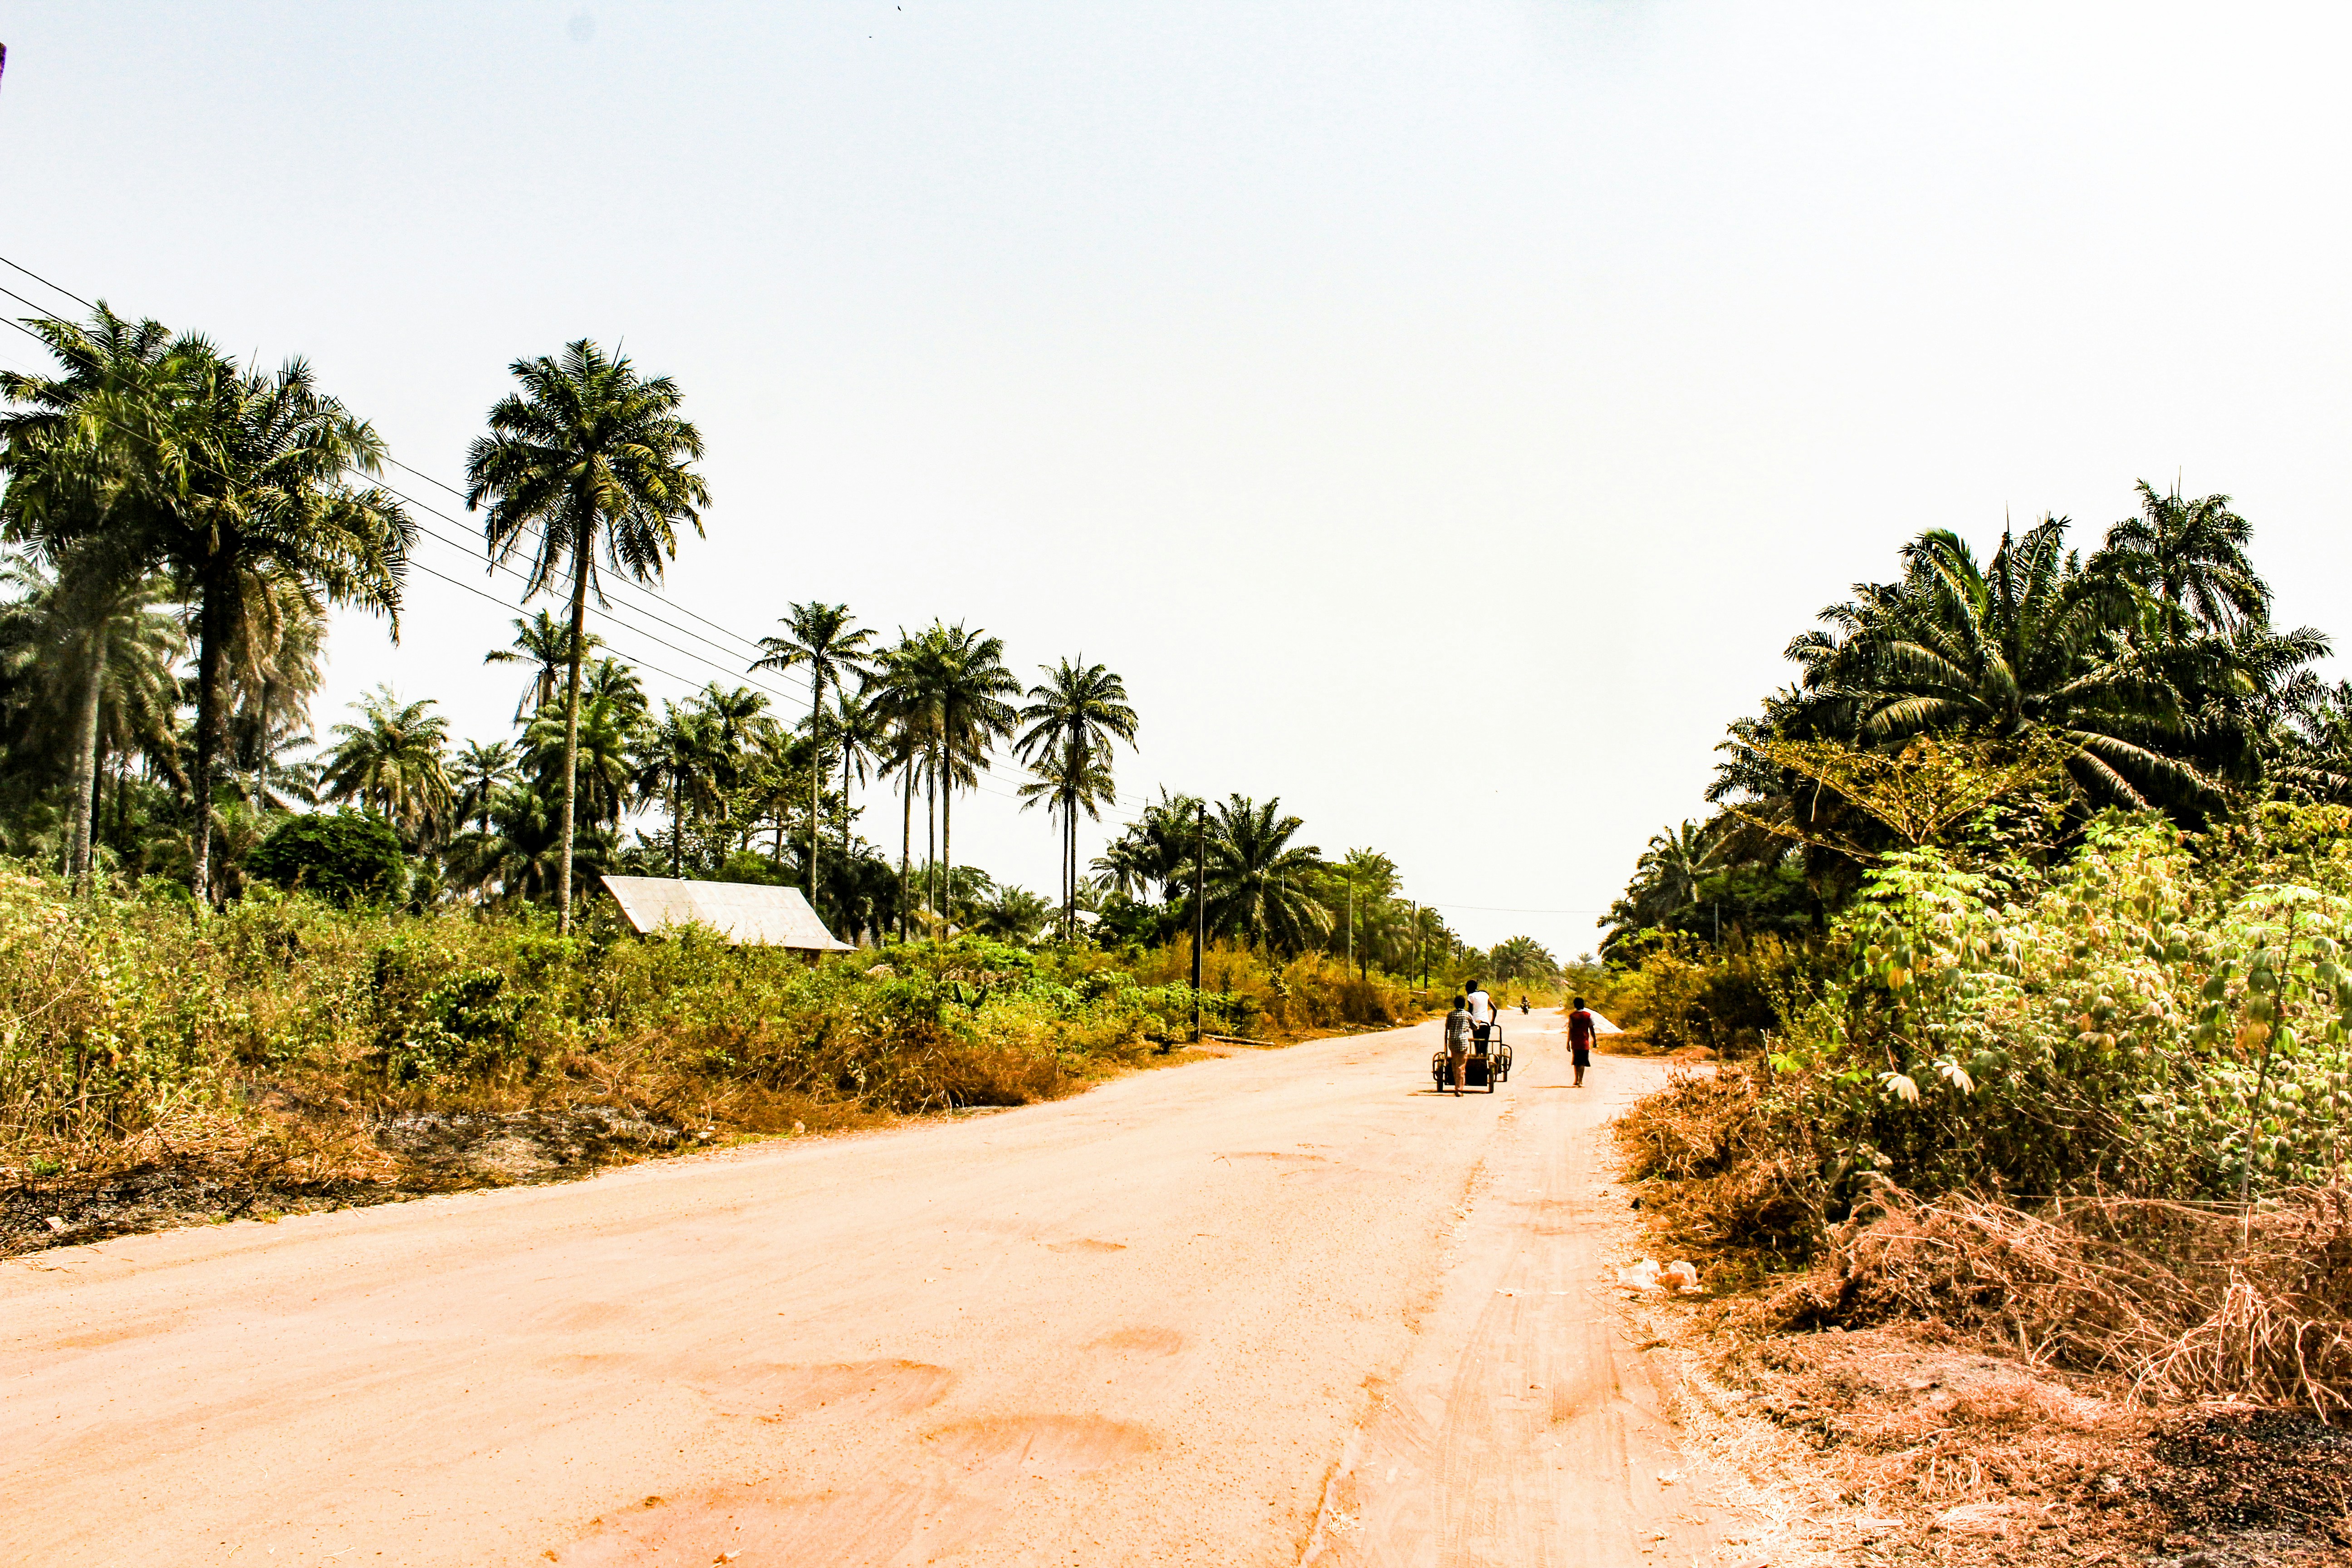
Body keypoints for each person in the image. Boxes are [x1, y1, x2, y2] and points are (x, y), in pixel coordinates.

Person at [1443, 993, 1474, 1095]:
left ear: (1455, 1004)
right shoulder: (1467, 1015)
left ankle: (1456, 1084)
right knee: (1461, 1066)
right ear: (1464, 1005)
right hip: (1462, 1042)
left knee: (1455, 1064)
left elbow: (1448, 1027)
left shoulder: (1450, 1015)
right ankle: (1459, 1089)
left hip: (1452, 1042)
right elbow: (1475, 1026)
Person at [1566, 995, 1597, 1088]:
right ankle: (1581, 1081)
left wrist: (1568, 1042)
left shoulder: (1572, 1016)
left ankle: (1576, 1080)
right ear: (1583, 1005)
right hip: (1584, 1042)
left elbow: (1570, 1030)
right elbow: (1592, 1029)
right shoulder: (1588, 1016)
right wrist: (1595, 1040)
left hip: (1575, 1042)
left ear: (1575, 1005)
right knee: (1583, 1062)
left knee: (1576, 1061)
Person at [1465, 978, 1494, 1052]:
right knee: (1485, 1046)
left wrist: (1468, 1024)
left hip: (1476, 1024)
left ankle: (1478, 1059)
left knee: (1477, 1047)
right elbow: (1495, 1009)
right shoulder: (1485, 994)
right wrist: (1492, 1022)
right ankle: (1485, 1061)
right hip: (1486, 1024)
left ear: (1468, 989)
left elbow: (1470, 1013)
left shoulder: (1471, 996)